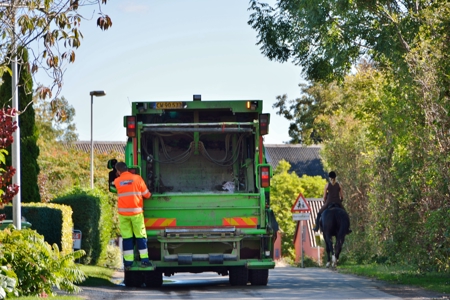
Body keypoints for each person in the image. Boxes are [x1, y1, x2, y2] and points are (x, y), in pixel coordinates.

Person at [113, 161, 152, 269]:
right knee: (140, 236)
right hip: (136, 213)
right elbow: (146, 194)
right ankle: (144, 260)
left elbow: (116, 186)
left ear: (118, 171)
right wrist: (150, 195)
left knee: (127, 238)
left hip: (123, 214)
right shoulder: (137, 178)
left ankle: (128, 263)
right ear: (128, 169)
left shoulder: (117, 181)